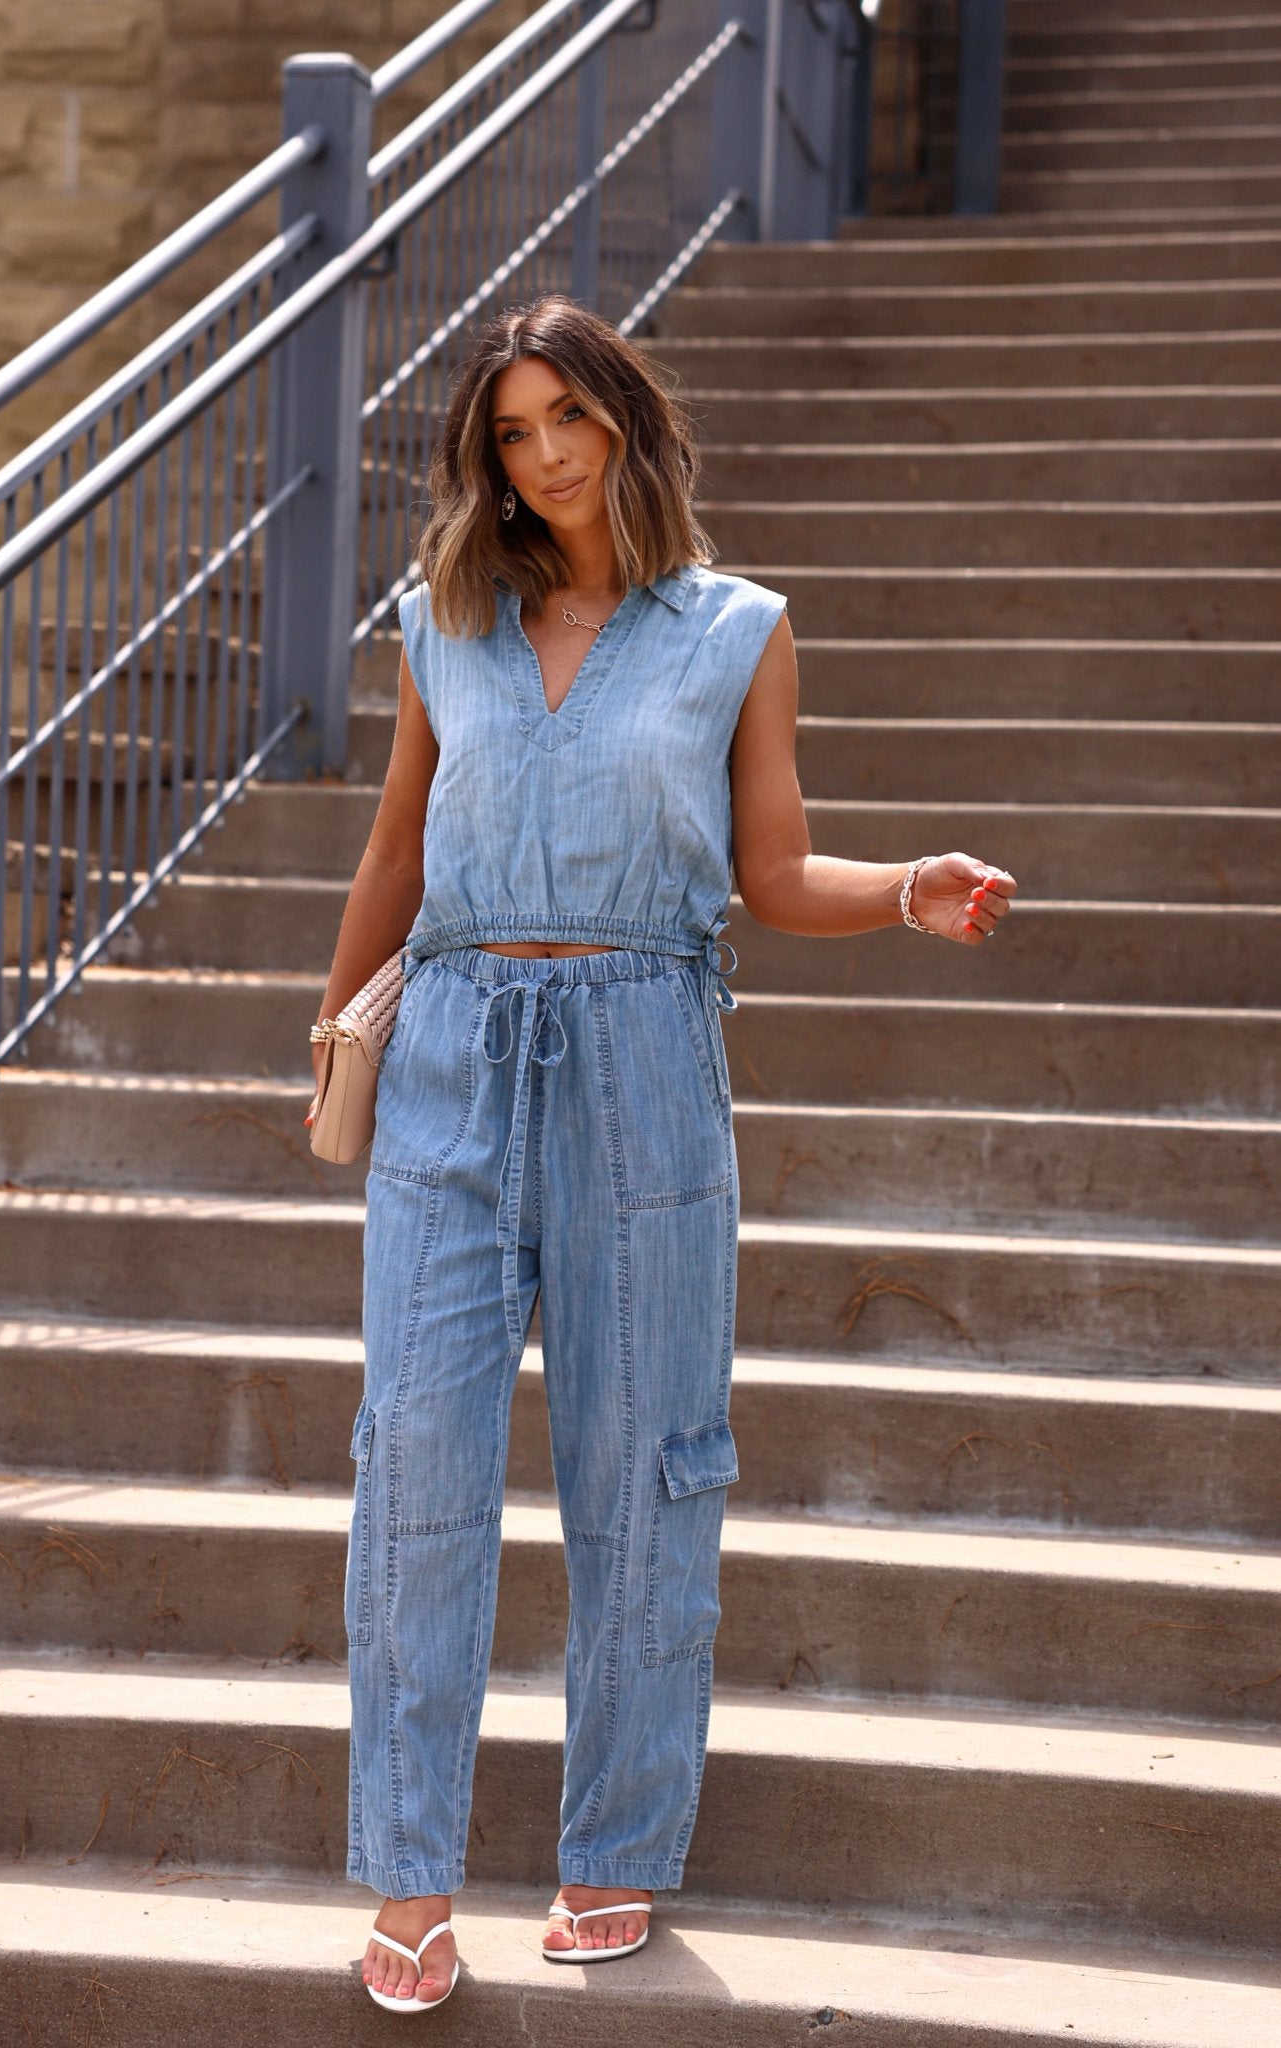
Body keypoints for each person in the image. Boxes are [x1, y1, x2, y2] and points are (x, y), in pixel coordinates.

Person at [312, 292, 1017, 2011]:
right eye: (510, 431)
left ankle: (612, 1843)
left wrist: (901, 888)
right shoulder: (443, 624)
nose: (543, 455)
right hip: (455, 1064)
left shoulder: (735, 631)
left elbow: (770, 874)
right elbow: (398, 856)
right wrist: (339, 1039)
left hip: (641, 1055)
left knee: (646, 1461)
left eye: (568, 418)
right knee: (415, 1467)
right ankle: (408, 1875)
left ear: (628, 420)